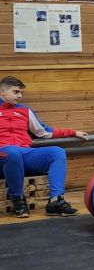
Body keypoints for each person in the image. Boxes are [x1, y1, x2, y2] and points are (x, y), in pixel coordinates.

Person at [0, 76, 89, 218]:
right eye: (16, 92)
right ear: (3, 91)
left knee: (57, 152)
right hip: (4, 155)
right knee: (13, 152)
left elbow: (44, 132)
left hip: (24, 152)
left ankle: (55, 201)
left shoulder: (25, 111)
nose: (20, 96)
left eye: (21, 93)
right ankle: (17, 200)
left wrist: (73, 132)